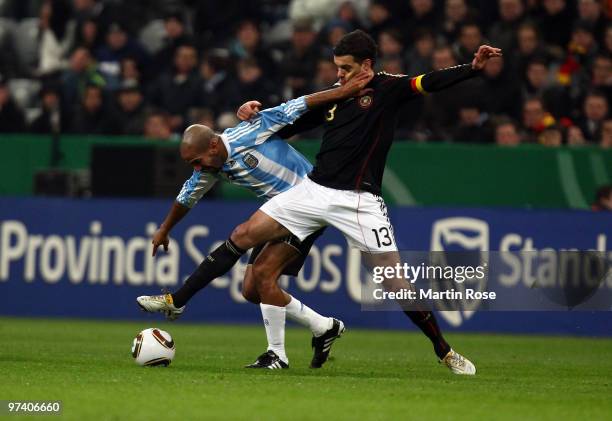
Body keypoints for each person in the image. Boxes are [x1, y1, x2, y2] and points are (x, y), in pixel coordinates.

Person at [138, 30, 500, 375]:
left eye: (345, 68)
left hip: (359, 201)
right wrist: (252, 114)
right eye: (337, 67)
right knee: (244, 233)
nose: (339, 74)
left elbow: (429, 81)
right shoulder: (335, 96)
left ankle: (444, 350)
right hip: (313, 190)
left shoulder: (388, 87)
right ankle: (179, 300)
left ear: (367, 64)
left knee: (394, 283)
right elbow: (286, 125)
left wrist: (471, 69)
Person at [138, 71, 373, 369]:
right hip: (280, 212)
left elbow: (301, 104)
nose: (196, 168)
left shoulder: (253, 129)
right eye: (191, 164)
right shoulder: (208, 168)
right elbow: (186, 198)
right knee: (251, 289)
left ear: (212, 145)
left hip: (309, 204)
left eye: (197, 161)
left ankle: (275, 354)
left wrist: (345, 91)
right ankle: (324, 327)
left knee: (259, 268)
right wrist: (164, 229)